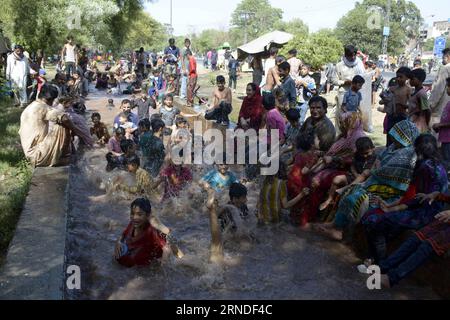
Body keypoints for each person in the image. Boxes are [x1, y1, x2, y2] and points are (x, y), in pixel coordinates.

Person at [361, 134, 448, 264]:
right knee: (378, 220)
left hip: (424, 214)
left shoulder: (425, 167)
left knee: (373, 221)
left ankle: (379, 261)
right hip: (426, 210)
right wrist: (391, 207)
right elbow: (413, 196)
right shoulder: (437, 164)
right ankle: (375, 259)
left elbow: (417, 199)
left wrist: (392, 208)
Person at [331, 120, 420, 237]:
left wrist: (375, 170)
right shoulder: (393, 147)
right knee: (350, 192)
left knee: (356, 199)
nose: (394, 138)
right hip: (374, 182)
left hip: (391, 191)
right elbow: (380, 161)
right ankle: (336, 225)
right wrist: (376, 169)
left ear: (405, 138)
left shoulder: (407, 154)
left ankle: (344, 231)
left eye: (398, 136)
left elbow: (385, 170)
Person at [19, 84, 87, 167]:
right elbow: (64, 118)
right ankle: (62, 157)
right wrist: (78, 132)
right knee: (63, 125)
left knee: (62, 123)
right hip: (37, 155)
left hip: (31, 154)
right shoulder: (43, 107)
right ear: (51, 99)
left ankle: (63, 156)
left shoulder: (31, 106)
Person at [114, 198, 167, 267]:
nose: (135, 217)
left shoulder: (151, 231)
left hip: (144, 268)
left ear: (147, 216)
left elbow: (166, 248)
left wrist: (162, 267)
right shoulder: (132, 224)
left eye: (139, 214)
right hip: (132, 261)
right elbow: (123, 235)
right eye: (132, 213)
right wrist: (118, 242)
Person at [332, 45, 366, 129]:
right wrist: (344, 82)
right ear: (346, 55)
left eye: (354, 55)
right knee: (342, 116)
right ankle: (340, 135)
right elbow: (333, 80)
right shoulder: (339, 65)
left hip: (356, 94)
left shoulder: (359, 65)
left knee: (354, 117)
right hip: (343, 93)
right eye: (350, 55)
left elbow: (364, 77)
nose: (353, 57)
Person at [385, 67, 412, 145]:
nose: (398, 79)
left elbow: (411, 105)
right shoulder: (392, 88)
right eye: (397, 76)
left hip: (402, 117)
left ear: (407, 78)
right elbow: (386, 101)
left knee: (400, 139)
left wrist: (403, 105)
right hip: (391, 116)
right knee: (390, 136)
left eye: (401, 77)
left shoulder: (408, 90)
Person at [429, 48, 450, 129]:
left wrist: (430, 105)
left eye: (443, 57)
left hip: (441, 108)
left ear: (448, 57)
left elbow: (439, 89)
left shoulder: (445, 68)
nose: (442, 60)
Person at [432, 77, 450, 170]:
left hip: (448, 139)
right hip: (445, 137)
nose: (447, 89)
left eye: (448, 87)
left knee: (447, 161)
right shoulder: (449, 102)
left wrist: (440, 125)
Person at [408, 68, 431, 133]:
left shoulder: (421, 93)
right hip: (412, 122)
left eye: (412, 79)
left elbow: (426, 110)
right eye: (410, 79)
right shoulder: (414, 91)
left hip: (419, 124)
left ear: (420, 80)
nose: (410, 81)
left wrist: (427, 124)